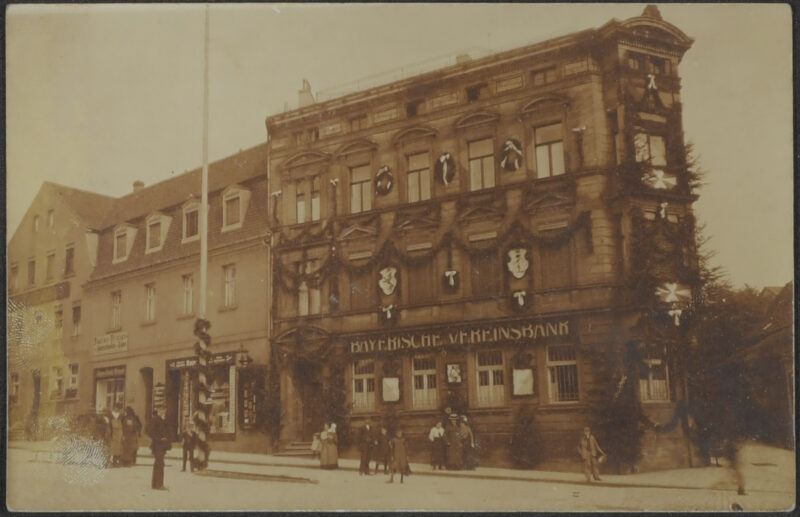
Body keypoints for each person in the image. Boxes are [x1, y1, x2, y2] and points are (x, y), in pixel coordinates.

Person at [149, 408, 170, 490]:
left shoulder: (164, 420)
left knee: (158, 464)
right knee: (160, 464)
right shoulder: (155, 419)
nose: (163, 411)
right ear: (158, 411)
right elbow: (150, 432)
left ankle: (155, 484)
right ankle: (159, 485)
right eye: (161, 410)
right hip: (157, 445)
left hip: (162, 446)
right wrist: (159, 438)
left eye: (164, 410)